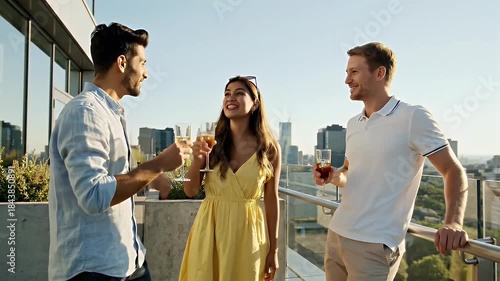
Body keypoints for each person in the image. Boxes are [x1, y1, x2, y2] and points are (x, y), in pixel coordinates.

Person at [48, 22, 192, 281]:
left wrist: (149, 178)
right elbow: (93, 195)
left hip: (128, 262)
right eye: (143, 63)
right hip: (94, 270)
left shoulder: (109, 114)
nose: (146, 73)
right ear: (123, 63)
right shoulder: (85, 113)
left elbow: (112, 180)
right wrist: (157, 165)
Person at [313, 42, 469, 281]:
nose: (347, 80)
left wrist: (453, 223)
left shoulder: (412, 116)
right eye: (347, 72)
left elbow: (452, 170)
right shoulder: (354, 123)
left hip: (375, 245)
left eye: (354, 72)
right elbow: (348, 173)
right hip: (337, 234)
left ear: (380, 73)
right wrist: (334, 176)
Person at [178, 76, 281, 281]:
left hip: (248, 235)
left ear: (255, 104)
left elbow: (271, 199)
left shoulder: (269, 148)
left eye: (239, 93)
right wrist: (198, 160)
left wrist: (274, 250)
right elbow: (190, 191)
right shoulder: (209, 141)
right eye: (227, 93)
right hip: (210, 231)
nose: (230, 98)